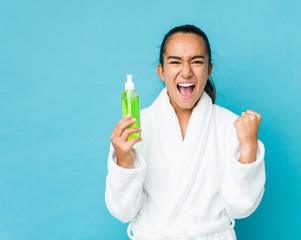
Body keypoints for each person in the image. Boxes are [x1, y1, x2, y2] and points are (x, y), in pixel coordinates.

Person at [105, 24, 266, 240]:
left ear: (209, 70)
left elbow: (241, 207)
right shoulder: (135, 127)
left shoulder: (232, 126)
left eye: (197, 61)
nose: (187, 71)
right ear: (161, 71)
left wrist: (249, 147)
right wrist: (124, 160)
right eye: (175, 62)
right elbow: (123, 212)